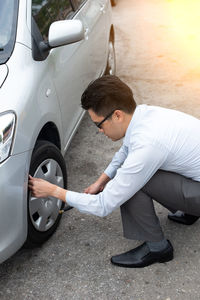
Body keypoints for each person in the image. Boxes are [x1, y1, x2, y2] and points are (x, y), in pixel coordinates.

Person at [29, 75, 200, 268]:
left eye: (98, 125)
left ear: (117, 115)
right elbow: (126, 150)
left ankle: (157, 248)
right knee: (134, 173)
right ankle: (189, 209)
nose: (99, 131)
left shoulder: (148, 144)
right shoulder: (144, 115)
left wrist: (54, 191)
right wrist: (101, 181)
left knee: (134, 184)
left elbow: (104, 205)